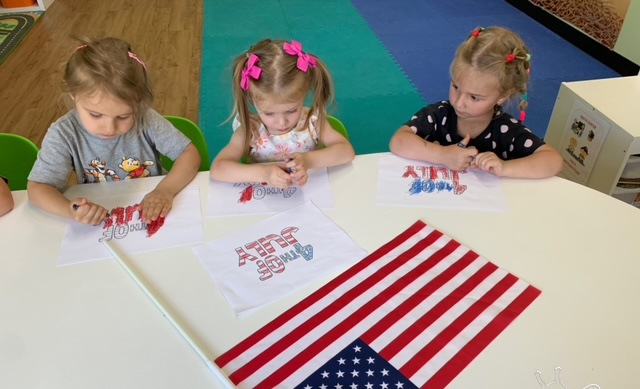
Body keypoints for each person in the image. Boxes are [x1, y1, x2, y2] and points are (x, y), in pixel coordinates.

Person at [27, 37, 201, 225]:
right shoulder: (64, 133)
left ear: (138, 102)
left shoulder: (145, 118)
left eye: (124, 116)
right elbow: (38, 187)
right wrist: (71, 210)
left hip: (151, 206)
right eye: (95, 115)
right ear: (73, 95)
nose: (110, 128)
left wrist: (165, 190)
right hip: (101, 217)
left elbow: (189, 154)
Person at [389, 26, 562, 179]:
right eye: (456, 87)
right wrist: (442, 155)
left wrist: (505, 167)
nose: (459, 103)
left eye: (474, 97)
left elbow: (553, 161)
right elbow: (399, 140)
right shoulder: (438, 115)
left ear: (502, 96)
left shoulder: (506, 130)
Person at [210, 39, 355, 188]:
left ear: (304, 94)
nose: (282, 122)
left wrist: (308, 161)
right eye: (269, 113)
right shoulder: (250, 130)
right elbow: (218, 169)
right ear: (252, 100)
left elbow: (346, 151)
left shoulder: (312, 122)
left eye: (291, 110)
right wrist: (264, 173)